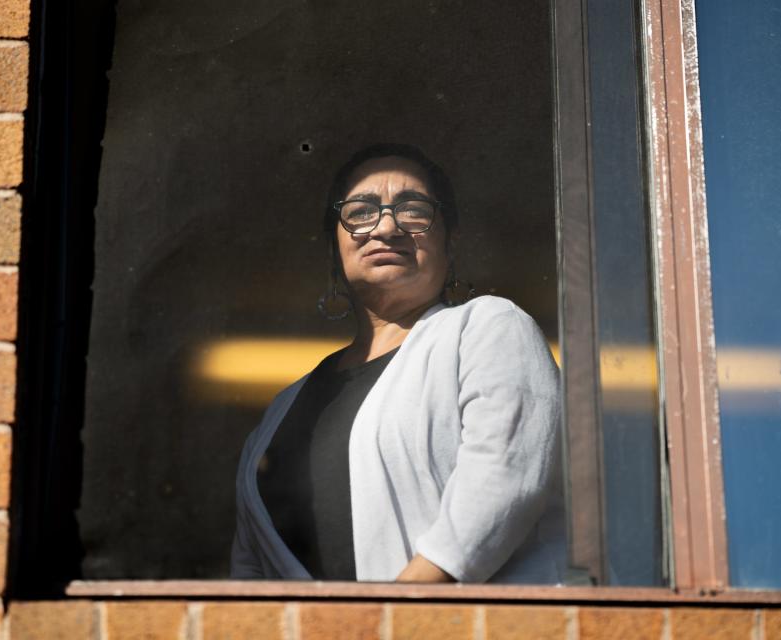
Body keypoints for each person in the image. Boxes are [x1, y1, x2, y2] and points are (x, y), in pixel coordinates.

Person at [231, 143, 565, 583]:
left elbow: (504, 483)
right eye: (362, 211)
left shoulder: (486, 328)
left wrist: (390, 618)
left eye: (412, 210)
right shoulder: (283, 408)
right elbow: (250, 565)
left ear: (450, 244)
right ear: (335, 249)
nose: (387, 227)